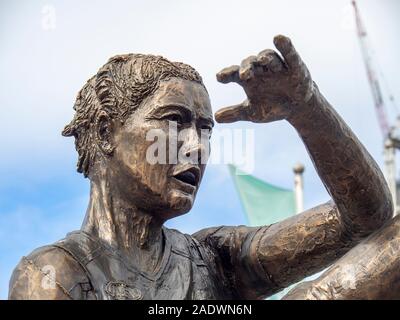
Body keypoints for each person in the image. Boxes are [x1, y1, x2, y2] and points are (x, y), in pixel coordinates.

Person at [8, 35, 392, 300]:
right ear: (108, 132)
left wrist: (308, 108)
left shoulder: (212, 258)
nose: (196, 147)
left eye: (204, 129)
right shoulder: (54, 274)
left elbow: (367, 217)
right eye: (174, 121)